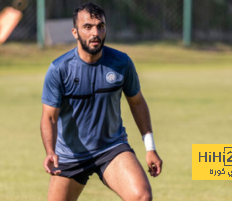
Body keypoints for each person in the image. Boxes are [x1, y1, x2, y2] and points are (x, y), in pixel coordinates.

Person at [40, 2, 163, 201]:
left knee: (141, 197)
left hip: (111, 149)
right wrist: (50, 151)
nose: (95, 32)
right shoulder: (59, 69)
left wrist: (150, 148)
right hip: (71, 156)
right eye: (87, 27)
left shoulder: (121, 63)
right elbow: (49, 117)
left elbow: (137, 102)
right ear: (75, 32)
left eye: (100, 26)